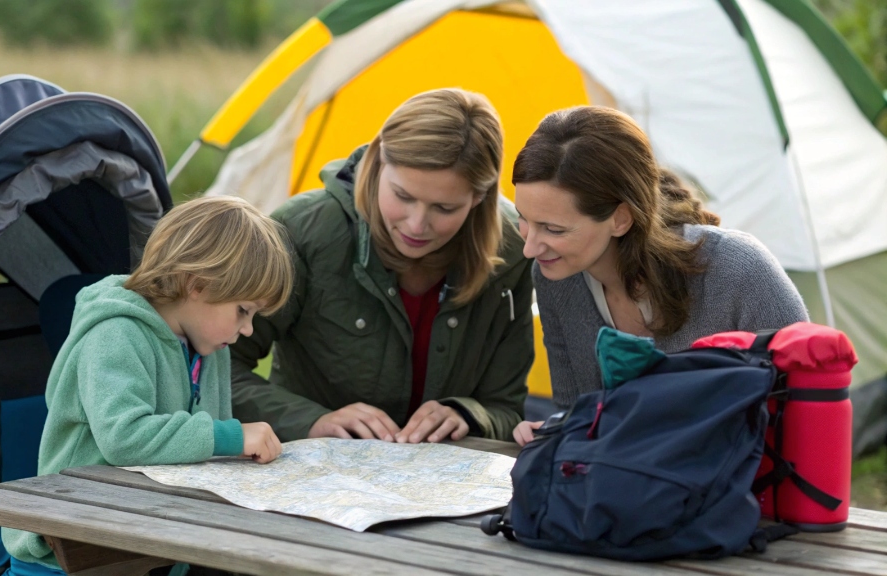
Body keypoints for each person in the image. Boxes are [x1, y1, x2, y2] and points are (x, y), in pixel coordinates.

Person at [1, 196, 293, 575]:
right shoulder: (115, 332)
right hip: (70, 552)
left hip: (146, 544)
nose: (248, 329)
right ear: (198, 285)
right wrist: (231, 438)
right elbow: (124, 436)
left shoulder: (209, 346)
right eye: (243, 310)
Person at [230, 88, 534, 444]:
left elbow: (507, 409)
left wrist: (468, 413)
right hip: (310, 472)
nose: (417, 224)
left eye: (444, 208)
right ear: (376, 164)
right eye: (403, 196)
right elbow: (214, 370)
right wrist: (312, 421)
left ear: (479, 198)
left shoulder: (515, 247)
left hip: (441, 486)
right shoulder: (302, 231)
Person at [510, 106, 809, 446]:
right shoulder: (555, 280)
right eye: (524, 219)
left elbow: (808, 408)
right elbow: (577, 411)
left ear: (621, 219)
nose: (530, 248)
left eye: (553, 228)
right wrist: (557, 429)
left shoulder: (738, 271)